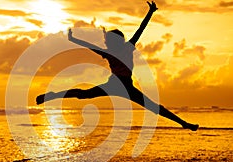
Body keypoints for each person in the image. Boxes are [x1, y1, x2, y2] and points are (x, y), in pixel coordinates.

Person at [36, 1, 199, 131]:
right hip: (114, 84)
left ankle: (184, 124)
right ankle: (51, 96)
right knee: (83, 95)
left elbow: (140, 29)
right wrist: (73, 40)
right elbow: (90, 46)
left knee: (154, 107)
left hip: (126, 86)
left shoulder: (127, 46)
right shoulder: (111, 51)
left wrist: (150, 12)